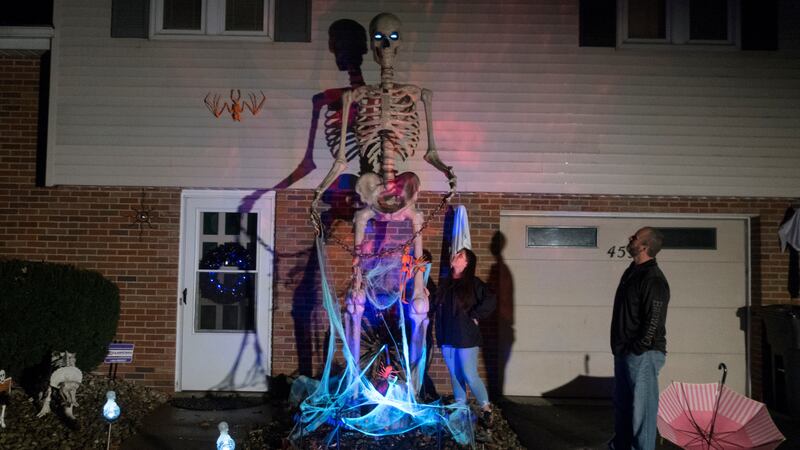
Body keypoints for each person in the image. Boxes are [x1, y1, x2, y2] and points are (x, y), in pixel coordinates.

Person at [609, 227, 670, 450]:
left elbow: (654, 318)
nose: (630, 238)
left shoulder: (653, 278)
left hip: (643, 355)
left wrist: (638, 348)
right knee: (623, 409)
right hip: (624, 351)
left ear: (644, 246)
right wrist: (622, 348)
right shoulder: (632, 271)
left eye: (635, 237)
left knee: (642, 414)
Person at [435, 248, 496, 424]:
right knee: (454, 374)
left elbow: (490, 299)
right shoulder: (446, 283)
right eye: (456, 254)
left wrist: (476, 314)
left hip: (466, 336)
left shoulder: (473, 283)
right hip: (447, 335)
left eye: (460, 255)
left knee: (469, 374)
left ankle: (486, 408)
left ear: (467, 263)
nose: (455, 256)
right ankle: (460, 407)